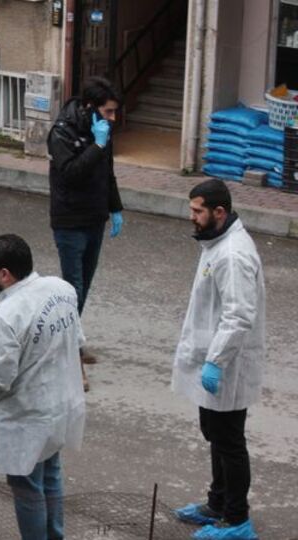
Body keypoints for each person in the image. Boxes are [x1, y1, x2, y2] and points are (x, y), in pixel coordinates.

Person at [0, 234, 85, 540]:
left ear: (4, 274)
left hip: (28, 415)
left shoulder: (6, 315)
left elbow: (0, 377)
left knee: (28, 488)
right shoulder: (62, 289)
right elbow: (77, 342)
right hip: (61, 403)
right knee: (51, 475)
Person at [172, 180, 264, 540]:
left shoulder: (233, 254)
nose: (191, 217)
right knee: (215, 434)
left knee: (229, 441)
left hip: (227, 365)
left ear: (219, 213)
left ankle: (237, 520)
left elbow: (239, 315)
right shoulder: (217, 243)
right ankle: (217, 503)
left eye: (197, 211)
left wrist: (216, 361)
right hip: (214, 360)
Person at [47, 75, 125, 387]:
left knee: (84, 287)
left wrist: (115, 207)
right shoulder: (63, 132)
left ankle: (73, 343)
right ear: (91, 108)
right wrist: (97, 144)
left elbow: (107, 172)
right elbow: (71, 175)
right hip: (69, 221)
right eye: (108, 111)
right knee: (72, 290)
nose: (113, 118)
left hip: (95, 218)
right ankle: (68, 358)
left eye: (114, 111)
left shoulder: (101, 131)